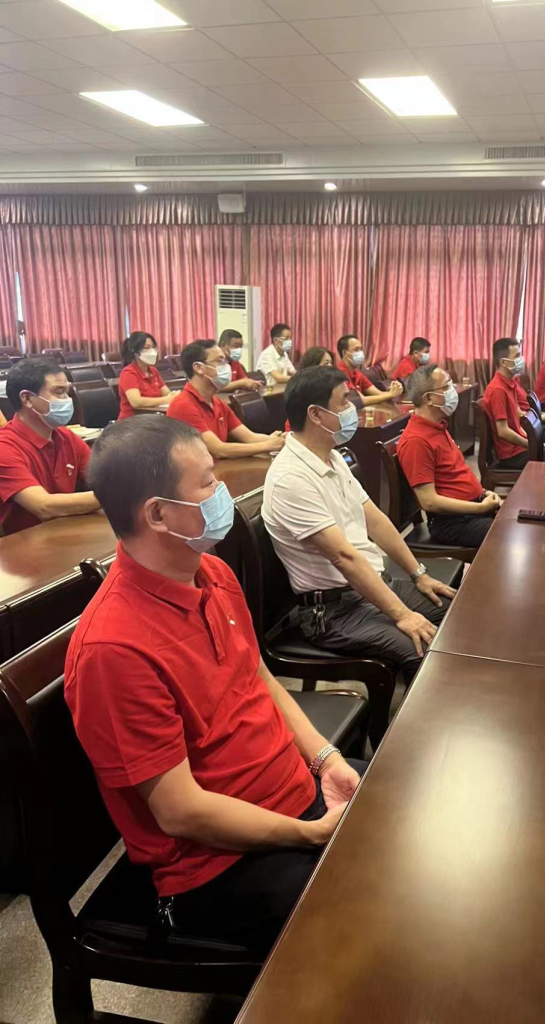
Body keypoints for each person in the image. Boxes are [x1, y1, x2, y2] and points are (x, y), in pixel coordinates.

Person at [64, 416, 365, 954]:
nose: (222, 492)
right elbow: (180, 811)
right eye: (207, 483)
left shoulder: (212, 572)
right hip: (215, 864)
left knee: (408, 814)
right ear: (158, 513)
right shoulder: (114, 648)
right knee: (379, 921)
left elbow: (257, 675)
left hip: (294, 791)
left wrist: (326, 760)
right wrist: (313, 834)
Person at [262, 367, 455, 682]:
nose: (352, 408)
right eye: (343, 400)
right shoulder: (290, 478)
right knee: (425, 652)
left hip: (370, 586)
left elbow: (375, 520)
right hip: (333, 612)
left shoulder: (332, 457)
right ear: (315, 414)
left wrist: (419, 574)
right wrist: (403, 615)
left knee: (454, 613)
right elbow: (344, 557)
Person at [398, 365, 501, 549]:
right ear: (428, 398)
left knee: (522, 521)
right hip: (452, 522)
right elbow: (429, 502)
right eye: (446, 387)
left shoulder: (437, 426)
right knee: (509, 537)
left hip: (471, 510)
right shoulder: (416, 441)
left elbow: (455, 474)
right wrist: (481, 508)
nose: (453, 391)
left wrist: (483, 493)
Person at [0, 357, 100, 534]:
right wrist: (112, 496)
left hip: (67, 532)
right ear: (27, 398)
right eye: (58, 392)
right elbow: (44, 506)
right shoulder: (5, 447)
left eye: (67, 392)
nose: (67, 399)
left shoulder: (66, 437)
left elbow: (103, 478)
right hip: (22, 542)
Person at [168, 340, 284, 459]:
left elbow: (250, 437)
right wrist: (268, 445)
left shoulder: (217, 402)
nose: (226, 367)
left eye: (225, 361)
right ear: (199, 368)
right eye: (219, 361)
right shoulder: (183, 405)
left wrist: (278, 439)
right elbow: (218, 450)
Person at [483, 339, 531, 470]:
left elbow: (516, 420)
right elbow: (503, 431)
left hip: (519, 448)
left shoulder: (510, 382)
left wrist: (531, 438)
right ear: (504, 362)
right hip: (511, 455)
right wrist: (529, 444)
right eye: (517, 356)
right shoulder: (498, 390)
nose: (521, 359)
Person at [117, 331, 177, 419]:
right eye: (146, 348)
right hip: (133, 420)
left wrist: (174, 395)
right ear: (135, 352)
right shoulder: (129, 373)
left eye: (153, 347)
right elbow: (136, 402)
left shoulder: (153, 371)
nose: (152, 351)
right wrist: (166, 400)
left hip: (153, 417)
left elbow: (166, 393)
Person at [336, 335, 403, 407]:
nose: (361, 353)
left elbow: (379, 394)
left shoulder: (357, 373)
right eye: (356, 349)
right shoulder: (339, 374)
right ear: (345, 353)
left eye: (361, 349)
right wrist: (390, 394)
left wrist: (394, 390)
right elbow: (360, 400)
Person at [217, 329, 262, 394]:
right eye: (236, 346)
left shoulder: (234, 361)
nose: (239, 350)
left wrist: (252, 383)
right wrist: (242, 383)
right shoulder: (213, 362)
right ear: (223, 344)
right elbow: (218, 387)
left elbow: (245, 380)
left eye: (240, 347)